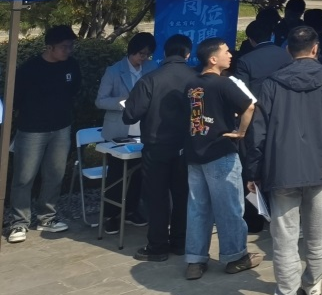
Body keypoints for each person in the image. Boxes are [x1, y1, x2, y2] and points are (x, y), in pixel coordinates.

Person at [244, 26, 322, 295]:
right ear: (315, 48)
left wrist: (253, 171)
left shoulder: (271, 83)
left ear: (288, 50)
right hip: (319, 168)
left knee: (285, 238)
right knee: (317, 232)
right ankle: (313, 285)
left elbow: (258, 132)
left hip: (281, 169)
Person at [184, 37, 260, 279]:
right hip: (220, 152)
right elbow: (249, 106)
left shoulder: (191, 84)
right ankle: (235, 256)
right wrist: (241, 132)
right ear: (212, 59)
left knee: (198, 208)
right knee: (228, 207)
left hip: (194, 151)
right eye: (226, 52)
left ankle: (195, 260)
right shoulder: (224, 83)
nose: (230, 55)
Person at [123, 34, 200, 261]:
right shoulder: (197, 79)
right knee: (182, 195)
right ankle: (179, 242)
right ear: (188, 54)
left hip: (156, 146)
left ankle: (157, 247)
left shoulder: (150, 79)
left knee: (157, 197)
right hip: (186, 146)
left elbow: (130, 115)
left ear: (164, 53)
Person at [5, 25, 81, 243]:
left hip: (61, 127)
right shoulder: (30, 69)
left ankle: (46, 217)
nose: (68, 50)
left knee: (55, 174)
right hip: (32, 130)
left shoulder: (72, 65)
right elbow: (16, 99)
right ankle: (19, 222)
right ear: (49, 47)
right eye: (64, 47)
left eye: (71, 46)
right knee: (24, 177)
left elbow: (75, 89)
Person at [96, 31, 157, 232]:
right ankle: (110, 215)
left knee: (138, 173)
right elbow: (100, 101)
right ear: (131, 51)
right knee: (117, 174)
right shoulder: (114, 71)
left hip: (143, 129)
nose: (143, 58)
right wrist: (123, 102)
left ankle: (131, 210)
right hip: (119, 130)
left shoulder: (151, 67)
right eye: (140, 53)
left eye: (147, 54)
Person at [234, 18, 293, 93]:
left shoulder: (245, 60)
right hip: (284, 98)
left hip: (257, 99)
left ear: (250, 40)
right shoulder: (288, 55)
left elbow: (241, 91)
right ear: (272, 35)